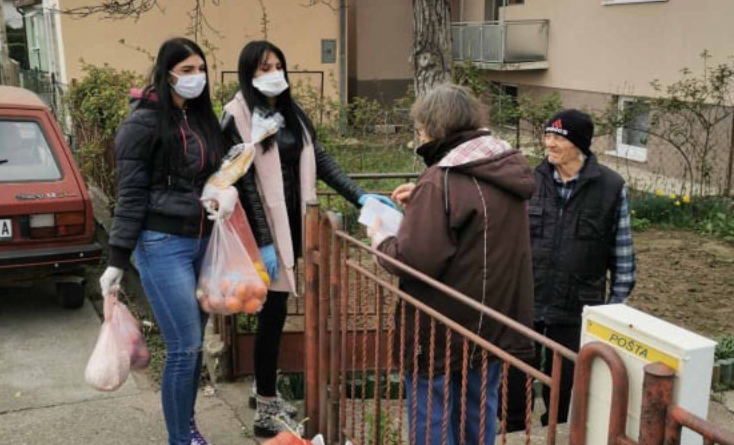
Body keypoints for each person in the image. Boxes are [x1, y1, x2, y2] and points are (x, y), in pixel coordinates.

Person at [220, 40, 394, 438]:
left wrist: (359, 193)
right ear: (248, 72)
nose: (273, 73)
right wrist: (263, 243)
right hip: (265, 233)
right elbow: (243, 183)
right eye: (264, 67)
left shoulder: (290, 112)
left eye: (278, 65)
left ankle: (265, 389)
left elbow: (321, 159)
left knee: (277, 313)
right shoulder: (236, 116)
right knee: (272, 314)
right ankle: (265, 404)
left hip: (298, 226)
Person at [368, 84, 536, 445]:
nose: (419, 134)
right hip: (491, 324)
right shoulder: (501, 168)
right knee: (478, 414)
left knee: (433, 420)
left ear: (433, 126)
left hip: (440, 331)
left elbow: (411, 261)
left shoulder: (441, 179)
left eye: (419, 127)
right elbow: (478, 221)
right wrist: (425, 200)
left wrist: (380, 239)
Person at [99, 37, 236, 445]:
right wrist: (116, 260)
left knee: (191, 346)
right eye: (187, 70)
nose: (196, 77)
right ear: (167, 73)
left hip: (201, 241)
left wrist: (221, 191)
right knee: (185, 345)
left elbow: (212, 172)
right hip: (162, 244)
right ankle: (181, 438)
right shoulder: (142, 124)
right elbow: (131, 195)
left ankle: (188, 427)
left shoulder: (199, 117)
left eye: (200, 69)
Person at [504, 109, 637, 431]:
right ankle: (514, 430)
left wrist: (610, 312)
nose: (548, 143)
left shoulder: (610, 187)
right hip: (528, 297)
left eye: (557, 137)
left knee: (565, 383)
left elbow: (623, 255)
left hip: (579, 304)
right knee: (515, 372)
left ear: (579, 144)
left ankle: (558, 431)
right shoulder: (529, 181)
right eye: (547, 136)